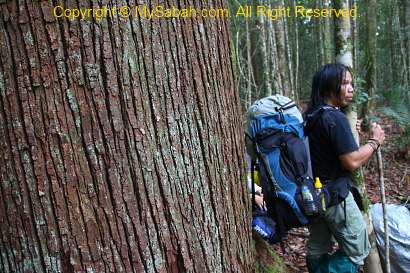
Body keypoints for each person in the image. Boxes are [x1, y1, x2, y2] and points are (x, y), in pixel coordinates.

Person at [304, 64, 385, 273]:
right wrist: (374, 142)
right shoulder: (334, 118)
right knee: (357, 250)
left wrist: (349, 132)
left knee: (317, 248)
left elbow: (326, 150)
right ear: (329, 86)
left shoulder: (312, 116)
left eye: (351, 83)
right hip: (335, 196)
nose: (351, 88)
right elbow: (351, 161)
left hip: (312, 196)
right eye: (344, 83)